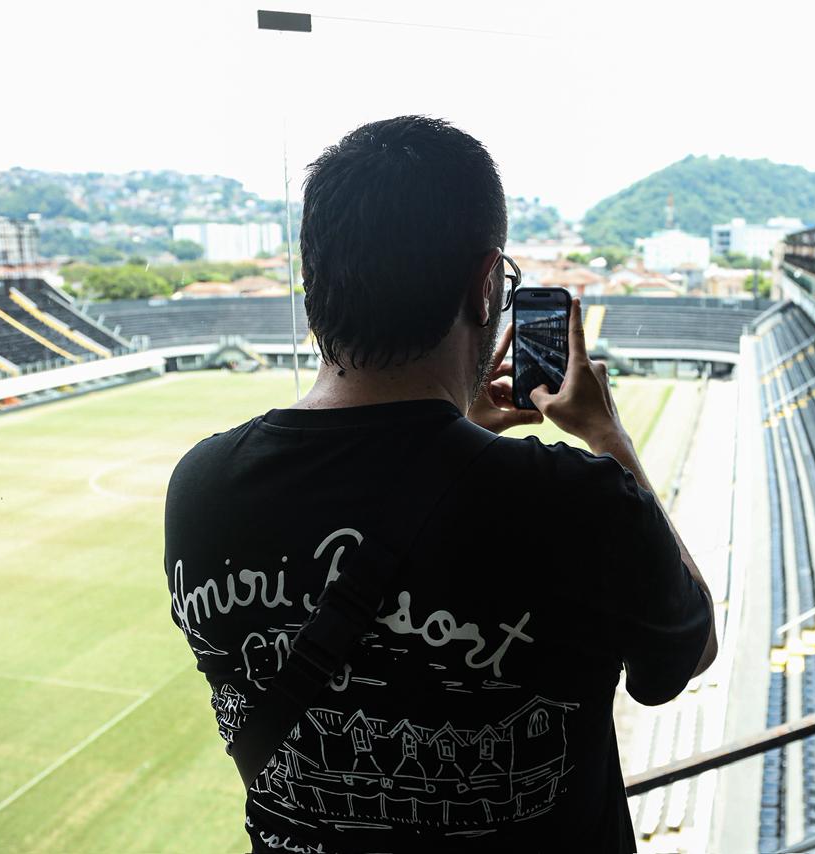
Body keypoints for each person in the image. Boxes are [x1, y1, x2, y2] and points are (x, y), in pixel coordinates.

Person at [164, 115, 716, 853]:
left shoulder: (200, 487)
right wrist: (607, 436)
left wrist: (458, 441)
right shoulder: (577, 500)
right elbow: (685, 654)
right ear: (486, 287)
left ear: (314, 282)